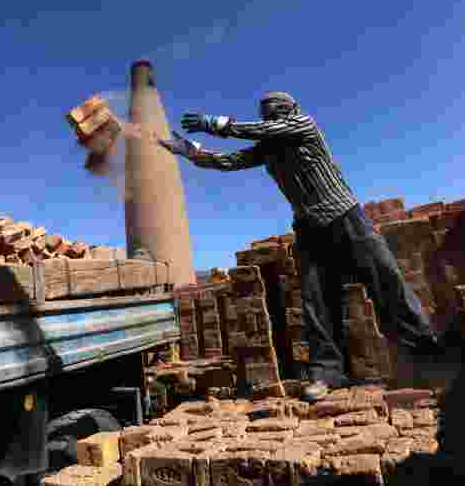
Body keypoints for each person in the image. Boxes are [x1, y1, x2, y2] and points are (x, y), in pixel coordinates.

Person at [159, 91, 444, 402]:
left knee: (387, 284)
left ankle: (427, 358)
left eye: (277, 109)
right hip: (309, 229)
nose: (272, 114)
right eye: (267, 111)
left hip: (345, 217)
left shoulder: (303, 124)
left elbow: (262, 130)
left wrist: (215, 124)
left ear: (291, 109)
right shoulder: (268, 146)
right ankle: (327, 374)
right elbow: (230, 160)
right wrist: (191, 152)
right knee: (317, 303)